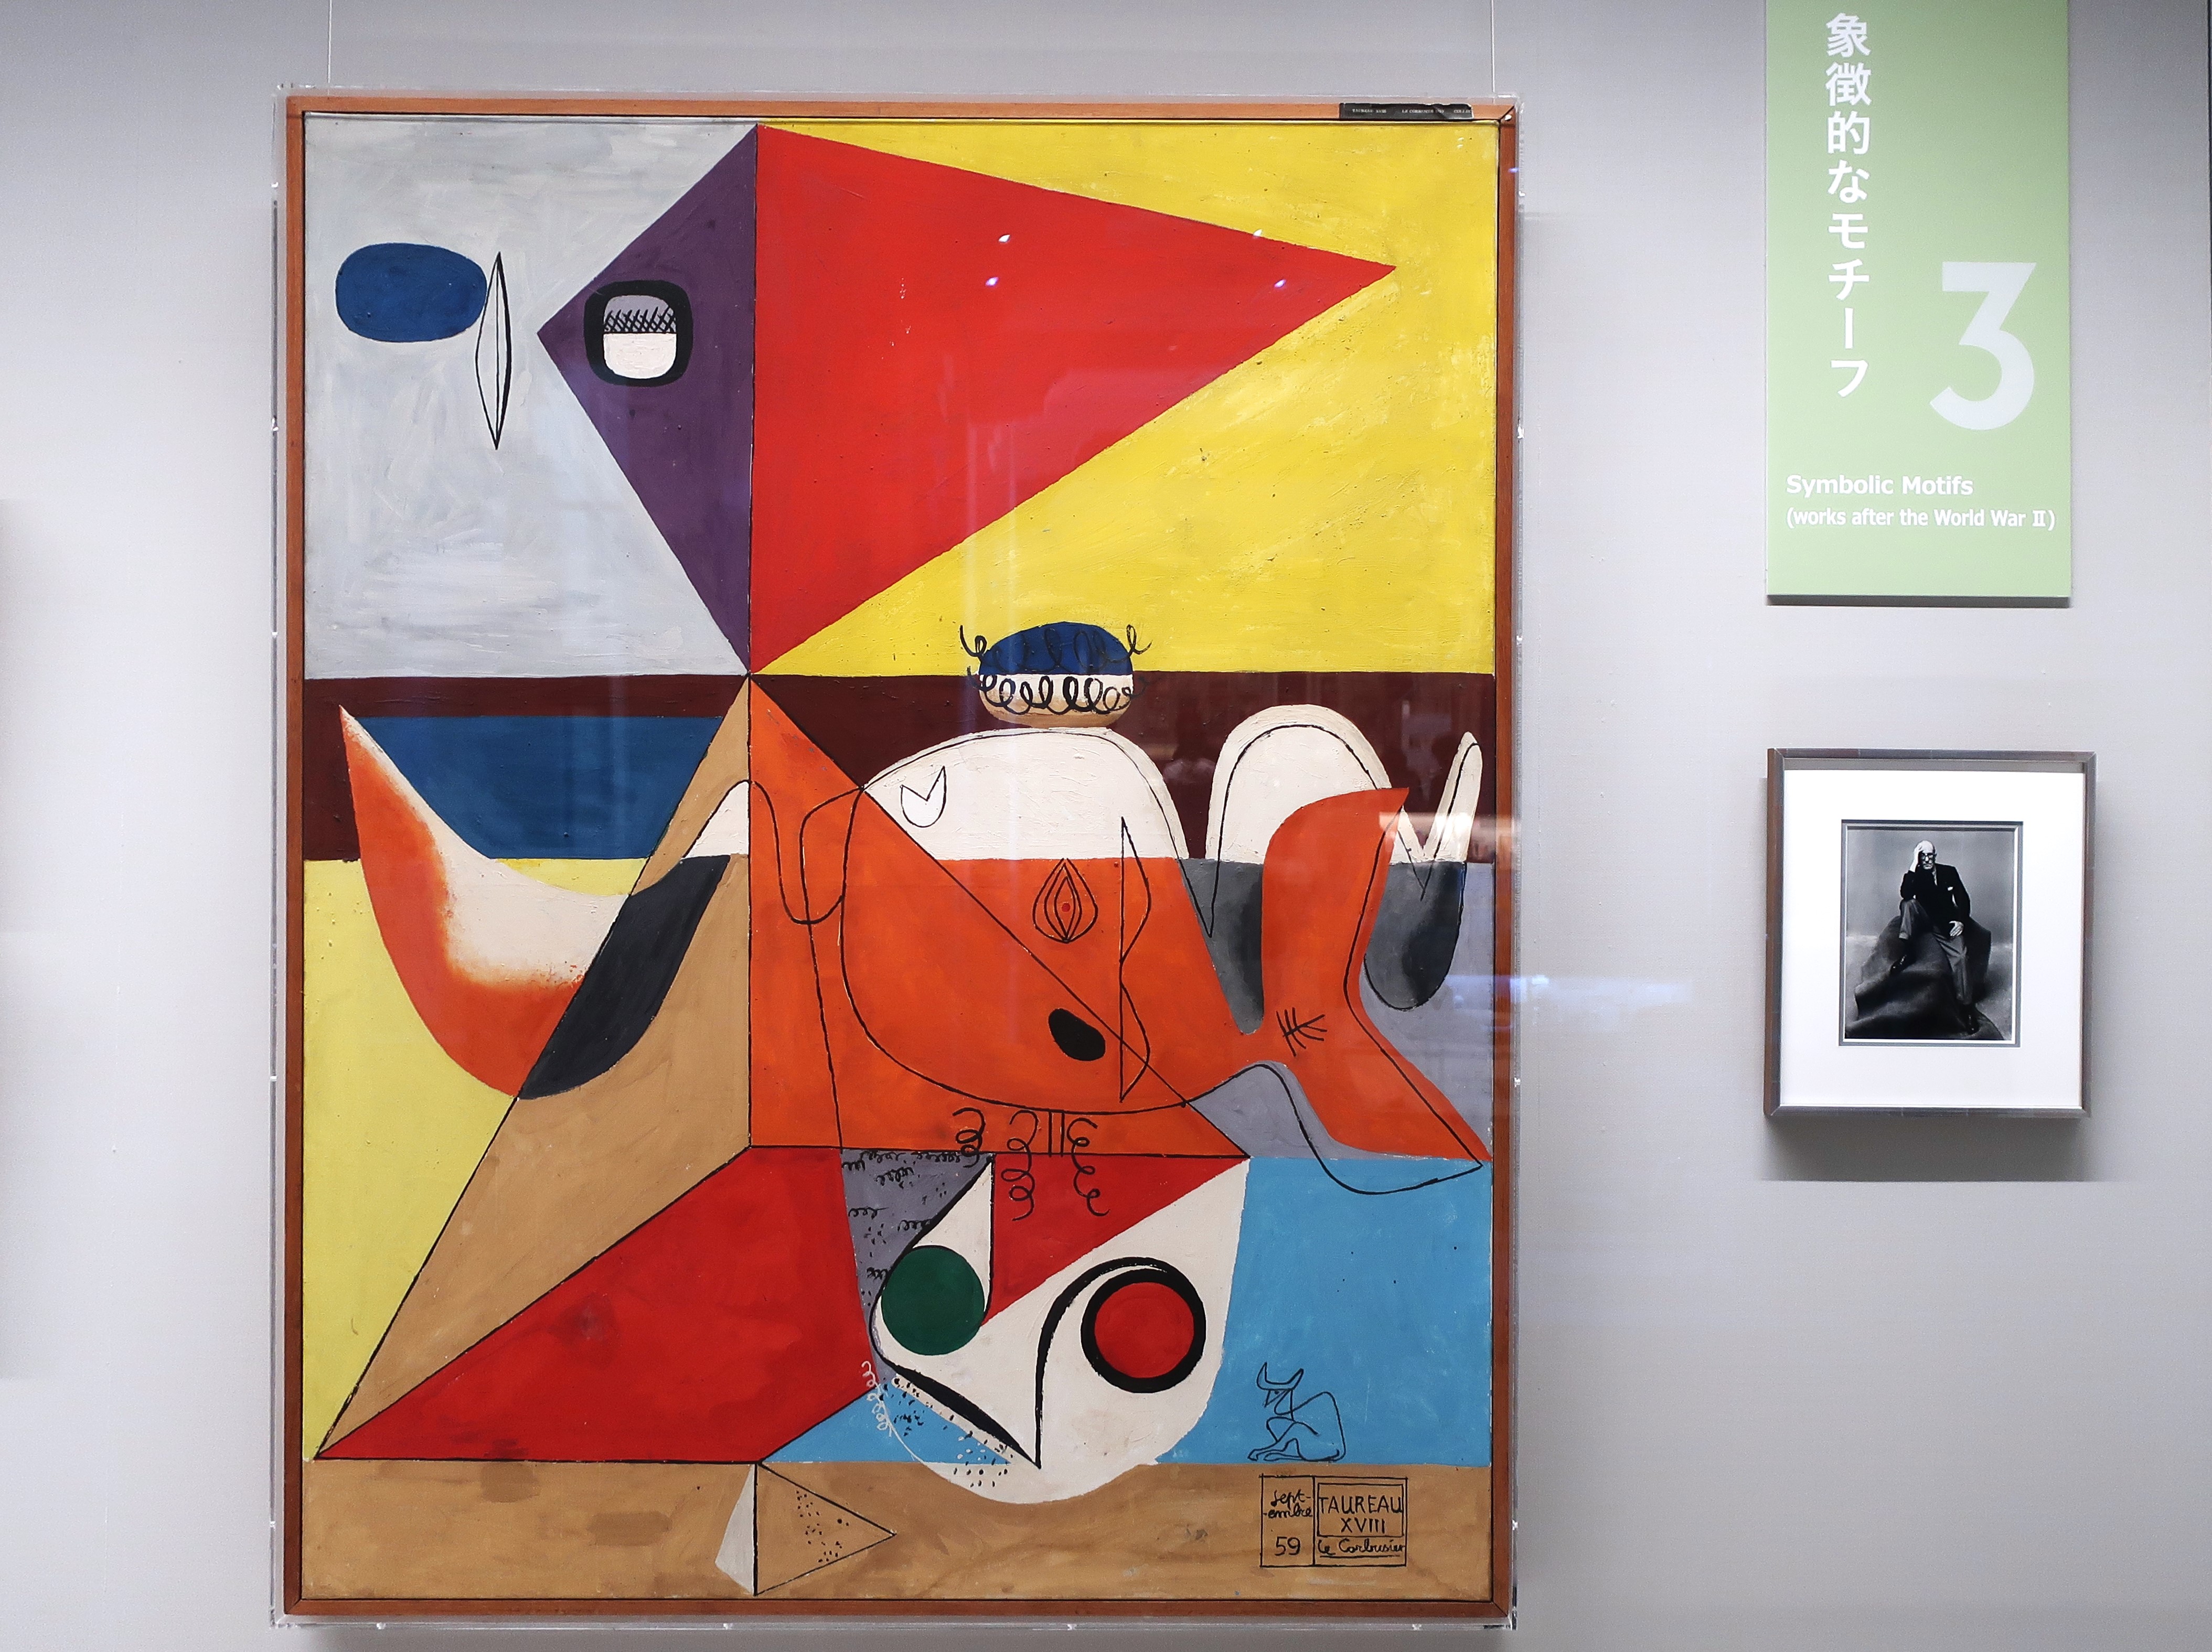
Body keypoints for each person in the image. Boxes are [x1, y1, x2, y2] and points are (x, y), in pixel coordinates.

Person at [1895, 840, 1974, 1026]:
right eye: (1923, 856)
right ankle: (1909, 951)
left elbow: (1963, 898)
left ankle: (1966, 1008)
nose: (1927, 859)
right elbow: (1906, 894)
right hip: (1924, 919)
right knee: (1908, 904)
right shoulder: (1916, 874)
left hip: (1944, 923)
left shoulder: (1949, 872)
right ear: (1919, 857)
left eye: (1930, 855)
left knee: (1961, 957)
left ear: (1935, 856)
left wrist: (1961, 921)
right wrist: (1913, 864)